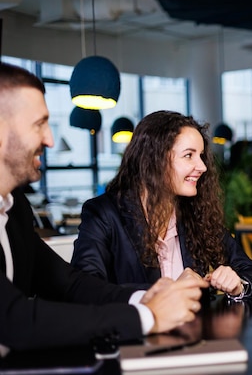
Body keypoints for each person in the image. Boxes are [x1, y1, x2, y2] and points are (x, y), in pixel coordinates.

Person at [0, 62, 208, 351]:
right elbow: (15, 320)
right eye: (39, 124)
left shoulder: (15, 209)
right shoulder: (103, 211)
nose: (49, 139)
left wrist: (145, 298)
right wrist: (146, 316)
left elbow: (70, 284)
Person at [72, 110, 252, 300]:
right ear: (155, 160)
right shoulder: (104, 213)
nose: (203, 167)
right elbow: (86, 288)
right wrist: (167, 290)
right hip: (135, 330)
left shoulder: (194, 212)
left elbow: (251, 272)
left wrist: (238, 285)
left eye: (201, 156)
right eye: (189, 155)